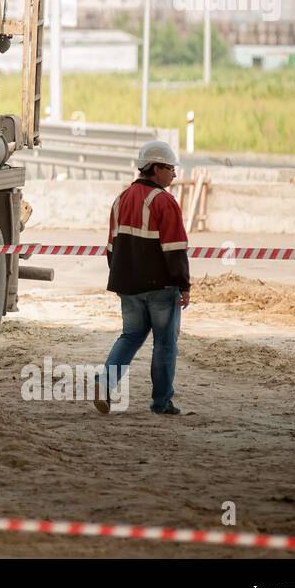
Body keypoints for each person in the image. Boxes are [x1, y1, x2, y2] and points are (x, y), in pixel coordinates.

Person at [93, 140, 190, 415]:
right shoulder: (165, 202)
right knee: (165, 344)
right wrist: (183, 285)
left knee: (130, 337)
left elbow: (111, 248)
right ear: (156, 168)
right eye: (171, 168)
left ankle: (105, 382)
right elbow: (175, 249)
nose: (174, 174)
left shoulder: (120, 199)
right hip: (161, 287)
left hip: (128, 286)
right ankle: (161, 402)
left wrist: (123, 281)